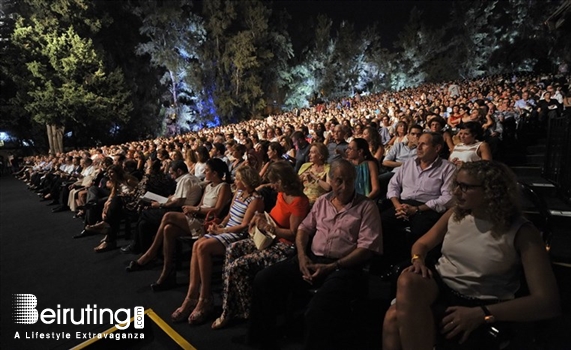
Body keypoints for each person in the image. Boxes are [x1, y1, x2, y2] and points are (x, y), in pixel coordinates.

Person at [382, 161, 561, 350]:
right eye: (456, 185)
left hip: (482, 300)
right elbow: (422, 244)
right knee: (407, 279)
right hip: (442, 286)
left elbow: (547, 302)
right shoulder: (455, 213)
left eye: (465, 187)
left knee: (393, 318)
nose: (456, 192)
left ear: (492, 191)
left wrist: (481, 313)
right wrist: (418, 259)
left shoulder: (522, 232)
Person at [240, 159, 382, 350]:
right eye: (339, 181)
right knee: (264, 279)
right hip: (313, 258)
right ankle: (262, 340)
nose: (345, 186)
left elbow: (367, 248)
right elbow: (303, 230)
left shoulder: (367, 207)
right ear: (330, 180)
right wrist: (301, 256)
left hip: (344, 266)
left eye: (349, 180)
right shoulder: (323, 202)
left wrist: (332, 266)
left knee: (317, 310)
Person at [210, 161, 310, 329]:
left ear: (283, 181)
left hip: (284, 248)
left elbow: (293, 234)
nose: (272, 185)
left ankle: (240, 311)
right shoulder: (281, 195)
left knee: (237, 266)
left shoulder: (298, 201)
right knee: (232, 249)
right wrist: (259, 217)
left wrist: (269, 227)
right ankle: (235, 304)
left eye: (275, 182)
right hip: (270, 239)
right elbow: (273, 215)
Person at [169, 166, 264, 325]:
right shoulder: (238, 193)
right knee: (197, 244)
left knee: (203, 247)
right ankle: (191, 295)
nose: (235, 180)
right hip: (225, 229)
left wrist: (222, 230)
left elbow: (244, 226)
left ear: (246, 181)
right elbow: (229, 216)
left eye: (238, 179)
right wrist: (217, 225)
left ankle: (205, 298)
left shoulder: (256, 199)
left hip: (237, 235)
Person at [126, 158, 232, 290]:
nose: (204, 172)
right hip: (197, 217)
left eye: (207, 170)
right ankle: (167, 273)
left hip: (207, 222)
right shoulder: (209, 186)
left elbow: (217, 210)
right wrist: (193, 210)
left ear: (215, 173)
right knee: (169, 229)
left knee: (168, 215)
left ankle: (151, 253)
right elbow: (200, 205)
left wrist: (194, 209)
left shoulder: (224, 187)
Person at [382, 132, 456, 264]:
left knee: (419, 230)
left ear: (437, 148)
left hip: (427, 207)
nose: (418, 147)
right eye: (418, 143)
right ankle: (387, 263)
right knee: (381, 222)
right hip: (402, 205)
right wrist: (397, 205)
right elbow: (393, 185)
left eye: (424, 144)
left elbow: (447, 198)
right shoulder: (408, 163)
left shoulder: (447, 168)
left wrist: (417, 209)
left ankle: (412, 264)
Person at [87, 164, 139, 252]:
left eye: (111, 172)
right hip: (121, 203)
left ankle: (107, 234)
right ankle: (108, 236)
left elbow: (140, 190)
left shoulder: (128, 179)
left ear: (118, 172)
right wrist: (106, 205)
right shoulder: (115, 182)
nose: (109, 175)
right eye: (108, 173)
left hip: (132, 203)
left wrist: (127, 194)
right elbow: (112, 195)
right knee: (108, 205)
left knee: (116, 202)